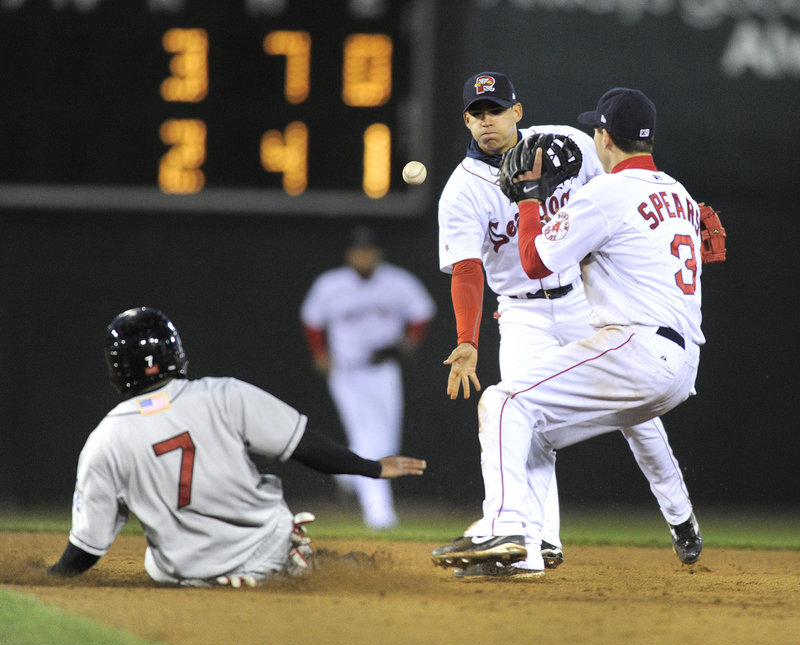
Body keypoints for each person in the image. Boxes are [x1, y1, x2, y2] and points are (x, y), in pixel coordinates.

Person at [437, 73, 701, 577]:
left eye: (495, 109)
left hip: (584, 297)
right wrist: (467, 339)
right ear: (466, 120)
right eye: (476, 112)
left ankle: (679, 513)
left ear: (518, 111)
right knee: (524, 418)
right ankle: (538, 542)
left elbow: (623, 203)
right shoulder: (461, 190)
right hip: (521, 311)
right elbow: (468, 269)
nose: (486, 120)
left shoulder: (569, 145)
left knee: (633, 419)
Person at [48, 307, 426, 586]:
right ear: (173, 353)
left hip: (188, 575)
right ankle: (285, 563)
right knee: (346, 567)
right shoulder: (221, 394)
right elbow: (304, 447)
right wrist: (371, 468)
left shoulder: (103, 441)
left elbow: (87, 549)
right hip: (267, 550)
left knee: (155, 564)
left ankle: (227, 577)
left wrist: (48, 577)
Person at [300, 227, 436, 529]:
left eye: (369, 250)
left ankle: (347, 472)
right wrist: (320, 353)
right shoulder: (331, 284)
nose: (364, 255)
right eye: (359, 250)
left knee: (386, 439)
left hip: (383, 370)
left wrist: (409, 341)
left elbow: (423, 310)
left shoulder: (396, 282)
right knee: (370, 438)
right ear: (350, 254)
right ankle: (379, 512)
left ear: (378, 253)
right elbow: (311, 320)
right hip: (347, 372)